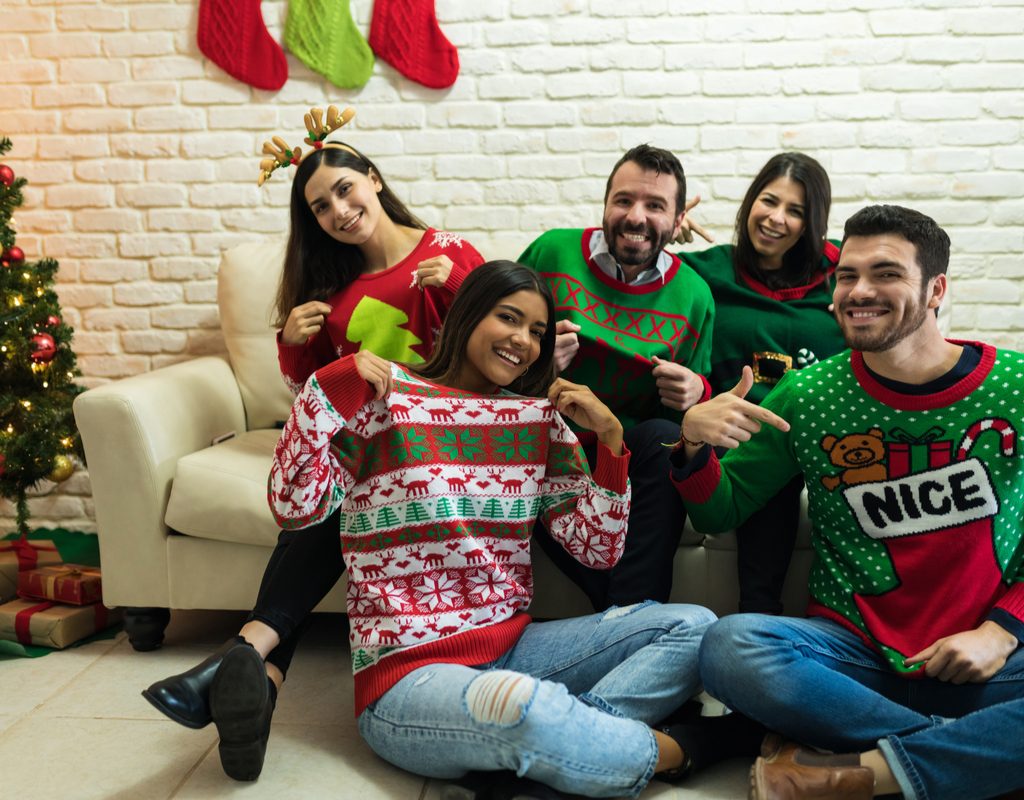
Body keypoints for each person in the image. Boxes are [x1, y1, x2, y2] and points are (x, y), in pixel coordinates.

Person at [215, 261, 716, 798]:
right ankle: (680, 750)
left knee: (694, 626)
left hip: (516, 649)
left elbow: (596, 549)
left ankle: (551, 755)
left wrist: (612, 442)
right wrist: (329, 385)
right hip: (407, 677)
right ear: (469, 313)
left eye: (538, 331)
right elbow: (295, 506)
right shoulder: (386, 401)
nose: (523, 341)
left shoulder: (536, 422)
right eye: (509, 318)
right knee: (520, 706)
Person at [143, 107, 483, 779]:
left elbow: (504, 352)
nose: (337, 210)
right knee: (325, 497)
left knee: (332, 499)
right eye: (320, 206)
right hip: (369, 452)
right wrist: (292, 345)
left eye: (345, 190)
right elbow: (316, 401)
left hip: (441, 446)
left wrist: (460, 287)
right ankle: (254, 680)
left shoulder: (448, 252)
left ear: (375, 181)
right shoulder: (334, 288)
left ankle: (239, 661)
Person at [672, 205, 1024, 799]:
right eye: (846, 275)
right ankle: (968, 756)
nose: (858, 292)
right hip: (850, 664)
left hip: (988, 659)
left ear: (936, 289)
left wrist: (1002, 630)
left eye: (885, 273)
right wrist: (691, 443)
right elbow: (720, 511)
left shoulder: (1014, 386)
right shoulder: (807, 394)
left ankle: (869, 773)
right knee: (729, 647)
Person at [517, 144, 714, 610]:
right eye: (624, 201)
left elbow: (699, 411)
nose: (636, 217)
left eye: (655, 206)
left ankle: (624, 616)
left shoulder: (694, 295)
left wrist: (695, 392)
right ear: (605, 203)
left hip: (624, 451)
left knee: (666, 438)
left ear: (679, 218)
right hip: (546, 436)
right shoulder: (551, 252)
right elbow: (490, 341)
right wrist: (537, 358)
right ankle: (630, 620)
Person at [678, 152, 846, 614]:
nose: (777, 218)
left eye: (796, 211)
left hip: (800, 436)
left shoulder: (841, 281)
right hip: (722, 428)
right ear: (750, 202)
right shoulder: (705, 271)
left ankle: (760, 618)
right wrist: (659, 238)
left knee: (779, 451)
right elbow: (634, 281)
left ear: (813, 223)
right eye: (769, 201)